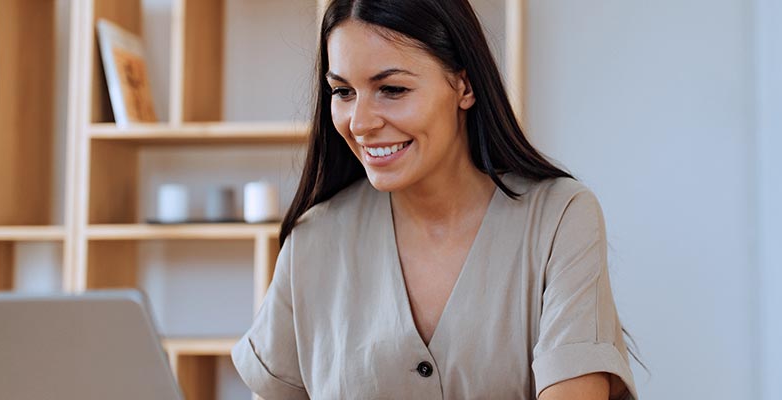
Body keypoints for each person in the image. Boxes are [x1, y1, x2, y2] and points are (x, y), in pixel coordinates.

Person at [230, 0, 637, 398]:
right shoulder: (312, 241)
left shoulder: (559, 218)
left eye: (392, 89)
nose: (360, 123)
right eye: (343, 91)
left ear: (464, 84)